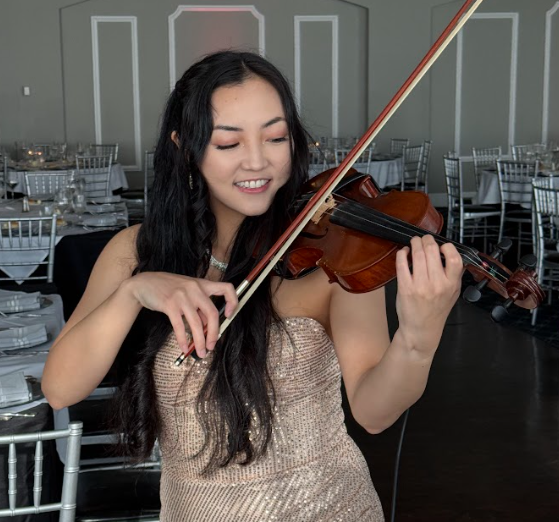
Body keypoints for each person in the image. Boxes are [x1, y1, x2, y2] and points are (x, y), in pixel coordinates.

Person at [42, 50, 463, 521]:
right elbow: (59, 389)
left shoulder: (333, 255)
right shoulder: (134, 252)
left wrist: (417, 339)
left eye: (276, 137)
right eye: (228, 143)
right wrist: (135, 291)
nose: (258, 162)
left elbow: (374, 412)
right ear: (185, 148)